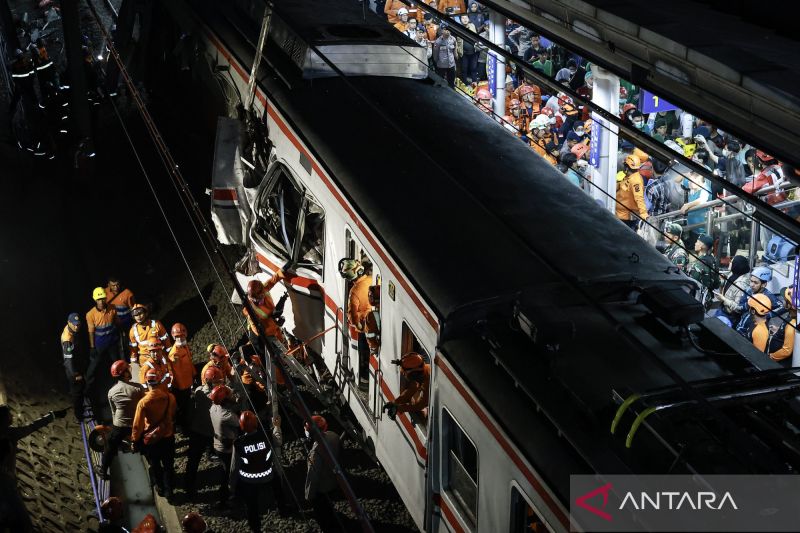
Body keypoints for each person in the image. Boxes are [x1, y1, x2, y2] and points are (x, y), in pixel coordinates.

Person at [0, 405, 68, 532]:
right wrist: (53, 415)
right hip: (5, 484)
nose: (12, 416)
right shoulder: (10, 434)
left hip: (6, 482)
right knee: (22, 523)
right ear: (4, 419)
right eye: (10, 415)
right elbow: (32, 426)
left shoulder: (9, 433)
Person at [232, 411, 288, 531]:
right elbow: (278, 441)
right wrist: (277, 427)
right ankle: (283, 509)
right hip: (267, 474)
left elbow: (234, 467)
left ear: (241, 426)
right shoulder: (266, 435)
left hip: (248, 479)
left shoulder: (238, 443)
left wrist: (231, 485)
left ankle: (255, 527)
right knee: (278, 488)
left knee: (251, 505)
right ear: (256, 423)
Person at [131, 369, 177, 502]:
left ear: (146, 382)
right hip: (168, 436)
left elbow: (137, 425)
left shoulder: (143, 402)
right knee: (169, 465)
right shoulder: (170, 397)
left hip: (153, 440)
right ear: (160, 380)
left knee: (155, 464)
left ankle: (161, 488)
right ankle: (170, 491)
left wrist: (134, 440)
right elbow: (173, 413)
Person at [101, 360, 144, 480]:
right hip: (136, 424)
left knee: (109, 447)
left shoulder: (111, 392)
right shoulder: (137, 388)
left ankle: (103, 471)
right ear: (124, 373)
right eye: (127, 370)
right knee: (146, 448)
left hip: (119, 425)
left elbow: (113, 411)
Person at [185, 367, 222, 499]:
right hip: (209, 431)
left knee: (193, 460)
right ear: (209, 381)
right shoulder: (216, 396)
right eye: (217, 381)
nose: (219, 384)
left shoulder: (198, 391)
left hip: (197, 430)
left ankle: (189, 486)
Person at [339, 258, 373, 391]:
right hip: (378, 324)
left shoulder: (354, 292)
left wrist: (360, 326)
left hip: (366, 329)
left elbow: (353, 318)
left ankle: (365, 377)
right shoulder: (372, 279)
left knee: (365, 355)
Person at [304, 415, 341, 533]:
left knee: (322, 513)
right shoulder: (334, 436)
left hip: (322, 488)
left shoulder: (315, 453)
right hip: (334, 481)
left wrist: (309, 495)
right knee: (329, 508)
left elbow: (312, 476)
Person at [243, 270, 287, 354]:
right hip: (263, 333)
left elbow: (272, 281)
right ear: (254, 297)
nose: (263, 295)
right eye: (260, 296)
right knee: (271, 351)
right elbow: (260, 332)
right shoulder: (251, 312)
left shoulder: (261, 289)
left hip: (273, 324)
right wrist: (276, 323)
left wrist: (283, 270)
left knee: (281, 341)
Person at [209, 384, 239, 507]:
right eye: (230, 395)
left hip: (217, 444)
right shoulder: (226, 416)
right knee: (230, 472)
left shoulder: (214, 408)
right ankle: (226, 497)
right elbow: (240, 422)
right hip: (226, 448)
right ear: (225, 401)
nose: (232, 396)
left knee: (224, 470)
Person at [86, 287, 121, 388]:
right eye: (98, 299)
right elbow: (91, 332)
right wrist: (92, 347)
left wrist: (120, 334)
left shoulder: (112, 308)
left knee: (117, 365)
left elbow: (117, 323)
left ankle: (119, 385)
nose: (101, 302)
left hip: (112, 342)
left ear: (105, 298)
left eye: (102, 299)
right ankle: (87, 389)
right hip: (100, 345)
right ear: (95, 300)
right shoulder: (90, 314)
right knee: (93, 368)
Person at [383, 353, 430, 422]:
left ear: (414, 374)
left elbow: (420, 405)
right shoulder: (424, 371)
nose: (407, 377)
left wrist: (398, 408)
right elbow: (411, 390)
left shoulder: (428, 382)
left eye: (409, 375)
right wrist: (394, 402)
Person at [733, 267, 779, 335]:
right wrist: (749, 304)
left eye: (755, 283)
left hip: (756, 330)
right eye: (751, 281)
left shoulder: (769, 296)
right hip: (742, 325)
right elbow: (740, 307)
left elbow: (781, 307)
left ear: (764, 284)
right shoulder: (748, 291)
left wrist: (763, 315)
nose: (751, 285)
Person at [168, 323, 196, 429]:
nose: (180, 338)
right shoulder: (174, 353)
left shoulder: (185, 346)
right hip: (181, 387)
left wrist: (193, 375)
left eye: (181, 336)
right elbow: (176, 372)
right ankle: (182, 426)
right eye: (177, 337)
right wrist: (184, 387)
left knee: (186, 405)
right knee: (181, 407)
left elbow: (189, 362)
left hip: (187, 382)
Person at [61, 312, 87, 419]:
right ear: (69, 323)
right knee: (77, 392)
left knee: (80, 388)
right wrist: (75, 374)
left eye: (78, 324)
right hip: (73, 369)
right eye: (74, 324)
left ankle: (80, 407)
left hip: (78, 363)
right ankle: (79, 415)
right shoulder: (68, 339)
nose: (77, 326)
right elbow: (68, 360)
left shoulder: (71, 330)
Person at [713, 255, 750, 324]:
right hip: (723, 308)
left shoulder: (741, 285)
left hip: (729, 316)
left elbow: (738, 308)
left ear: (737, 265)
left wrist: (723, 299)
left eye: (732, 262)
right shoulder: (733, 273)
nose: (729, 263)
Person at [615, 154, 648, 230]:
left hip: (626, 219)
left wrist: (643, 213)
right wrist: (617, 181)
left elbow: (639, 198)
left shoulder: (636, 181)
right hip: (619, 214)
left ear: (627, 167)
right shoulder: (626, 176)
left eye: (624, 165)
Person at [687, 234, 719, 306]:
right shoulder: (713, 260)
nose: (695, 244)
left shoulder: (697, 265)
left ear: (703, 246)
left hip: (697, 300)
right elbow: (717, 284)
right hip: (708, 298)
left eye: (697, 242)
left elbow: (690, 285)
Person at [769, 288, 796, 365]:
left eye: (784, 299)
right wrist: (779, 330)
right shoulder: (791, 315)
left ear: (790, 305)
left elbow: (786, 351)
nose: (782, 300)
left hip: (779, 362)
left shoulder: (792, 325)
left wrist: (771, 357)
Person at [456, 15, 478, 83]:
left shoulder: (472, 26)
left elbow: (476, 36)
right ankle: (464, 83)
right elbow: (456, 41)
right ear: (460, 20)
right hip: (464, 53)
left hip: (473, 52)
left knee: (473, 68)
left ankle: (474, 82)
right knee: (464, 69)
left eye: (466, 18)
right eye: (463, 18)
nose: (465, 19)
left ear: (468, 19)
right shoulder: (458, 27)